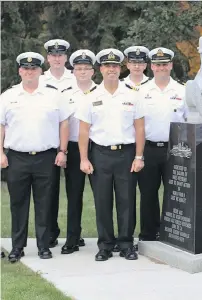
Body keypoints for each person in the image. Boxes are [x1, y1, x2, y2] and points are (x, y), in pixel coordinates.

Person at [76, 48, 145, 261]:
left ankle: (126, 244)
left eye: (115, 66)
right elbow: (84, 131)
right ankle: (105, 245)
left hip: (126, 155)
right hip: (100, 155)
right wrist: (84, 158)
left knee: (126, 201)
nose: (111, 69)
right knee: (102, 201)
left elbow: (140, 128)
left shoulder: (133, 95)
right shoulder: (91, 97)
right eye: (107, 66)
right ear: (101, 69)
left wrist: (139, 157)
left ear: (120, 68)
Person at [0, 52, 70, 262]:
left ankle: (43, 246)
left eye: (33, 69)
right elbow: (1, 126)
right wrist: (0, 152)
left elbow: (64, 123)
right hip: (16, 158)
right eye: (25, 69)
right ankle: (17, 247)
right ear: (20, 71)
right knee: (18, 204)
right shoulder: (8, 96)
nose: (29, 72)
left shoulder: (54, 95)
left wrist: (62, 151)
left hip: (46, 157)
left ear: (40, 71)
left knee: (45, 203)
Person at [136, 47, 187, 243]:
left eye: (165, 64)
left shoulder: (182, 90)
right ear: (151, 67)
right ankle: (149, 235)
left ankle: (174, 234)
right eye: (157, 64)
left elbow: (188, 122)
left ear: (171, 65)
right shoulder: (142, 91)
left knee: (175, 194)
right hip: (148, 149)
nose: (161, 67)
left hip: (175, 149)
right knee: (148, 194)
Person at [60, 49, 98, 254]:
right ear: (73, 71)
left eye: (86, 68)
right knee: (74, 196)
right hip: (74, 148)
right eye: (78, 68)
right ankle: (73, 239)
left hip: (96, 148)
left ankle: (106, 238)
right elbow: (63, 124)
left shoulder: (101, 92)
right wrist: (63, 151)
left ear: (93, 71)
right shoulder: (65, 94)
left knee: (102, 196)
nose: (82, 72)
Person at [40, 38, 74, 248]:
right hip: (51, 145)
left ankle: (73, 235)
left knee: (75, 192)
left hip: (76, 143)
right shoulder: (40, 80)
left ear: (66, 57)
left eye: (61, 55)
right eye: (53, 55)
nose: (57, 58)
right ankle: (50, 233)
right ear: (47, 58)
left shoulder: (77, 77)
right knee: (49, 192)